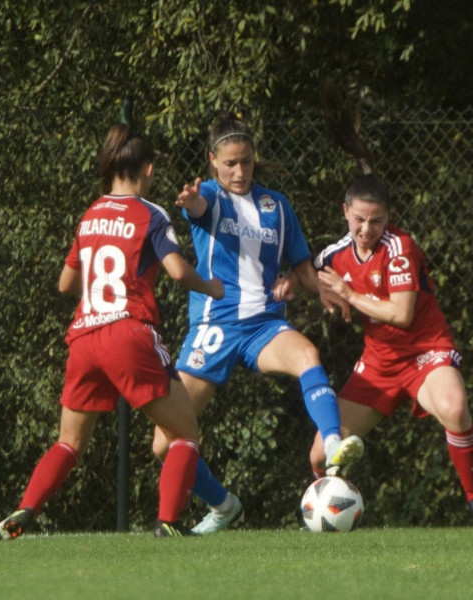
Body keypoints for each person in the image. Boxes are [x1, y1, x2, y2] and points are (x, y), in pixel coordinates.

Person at [0, 123, 224, 540]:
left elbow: (64, 284)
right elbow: (176, 271)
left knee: (69, 442)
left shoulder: (91, 214)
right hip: (128, 333)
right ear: (148, 169)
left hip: (84, 337)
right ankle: (168, 522)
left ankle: (25, 509)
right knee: (184, 432)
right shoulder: (151, 214)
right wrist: (209, 286)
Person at [151, 115, 364, 535]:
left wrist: (314, 288)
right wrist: (191, 202)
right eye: (229, 163)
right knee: (163, 443)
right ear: (213, 161)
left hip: (264, 326)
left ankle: (334, 448)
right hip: (216, 327)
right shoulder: (210, 196)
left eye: (246, 161)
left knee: (308, 354)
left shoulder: (277, 207)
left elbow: (301, 267)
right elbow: (198, 208)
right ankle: (224, 505)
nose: (239, 171)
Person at [310, 168, 473, 527]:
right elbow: (309, 271)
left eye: (377, 221)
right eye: (359, 220)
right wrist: (315, 288)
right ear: (345, 212)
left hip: (425, 352)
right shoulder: (334, 254)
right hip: (379, 362)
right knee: (321, 455)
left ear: (389, 218)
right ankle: (331, 513)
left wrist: (350, 294)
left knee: (454, 407)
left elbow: (401, 315)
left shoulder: (399, 249)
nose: (367, 229)